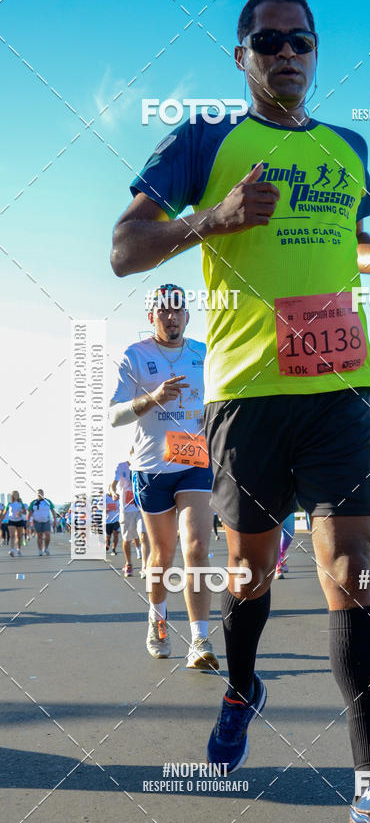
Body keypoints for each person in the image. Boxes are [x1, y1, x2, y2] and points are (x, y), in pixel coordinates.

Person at [111, 0, 370, 823]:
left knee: (349, 573)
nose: (286, 52)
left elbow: (349, 243)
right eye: (267, 41)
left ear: (318, 51)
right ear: (241, 58)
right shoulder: (204, 142)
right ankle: (241, 685)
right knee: (251, 580)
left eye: (301, 39)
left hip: (342, 388)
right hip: (247, 396)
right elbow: (124, 248)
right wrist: (212, 219)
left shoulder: (349, 147)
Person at [109, 285, 219, 670]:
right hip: (151, 466)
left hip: (195, 462)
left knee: (196, 548)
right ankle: (157, 622)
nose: (171, 317)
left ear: (187, 316)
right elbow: (113, 415)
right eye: (163, 311)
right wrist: (152, 398)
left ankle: (200, 639)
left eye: (178, 310)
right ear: (151, 317)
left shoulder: (203, 353)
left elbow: (223, 398)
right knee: (162, 556)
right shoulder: (135, 355)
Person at [28, 489, 56, 556]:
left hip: (46, 521)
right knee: (39, 536)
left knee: (47, 535)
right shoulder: (33, 502)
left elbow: (52, 511)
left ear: (43, 494)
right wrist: (28, 521)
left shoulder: (48, 501)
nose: (40, 494)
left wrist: (55, 520)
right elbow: (30, 512)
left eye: (41, 493)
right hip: (37, 521)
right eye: (38, 493)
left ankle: (46, 548)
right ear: (37, 494)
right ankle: (40, 550)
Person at [2, 491, 27, 557]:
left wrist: (20, 511)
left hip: (19, 520)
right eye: (15, 495)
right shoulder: (9, 503)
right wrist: (1, 520)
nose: (16, 496)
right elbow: (4, 513)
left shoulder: (21, 503)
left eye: (17, 494)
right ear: (12, 496)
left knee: (19, 536)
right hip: (11, 520)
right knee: (12, 535)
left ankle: (18, 549)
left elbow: (25, 512)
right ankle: (12, 550)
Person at [274, 511, 295, 578]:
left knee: (289, 536)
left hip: (288, 505)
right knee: (275, 536)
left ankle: (281, 557)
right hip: (272, 506)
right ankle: (278, 567)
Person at [106, 491, 120, 555]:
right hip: (107, 520)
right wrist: (106, 509)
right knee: (108, 536)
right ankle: (108, 543)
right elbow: (99, 507)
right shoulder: (104, 497)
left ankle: (114, 549)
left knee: (115, 534)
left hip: (116, 519)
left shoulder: (118, 497)